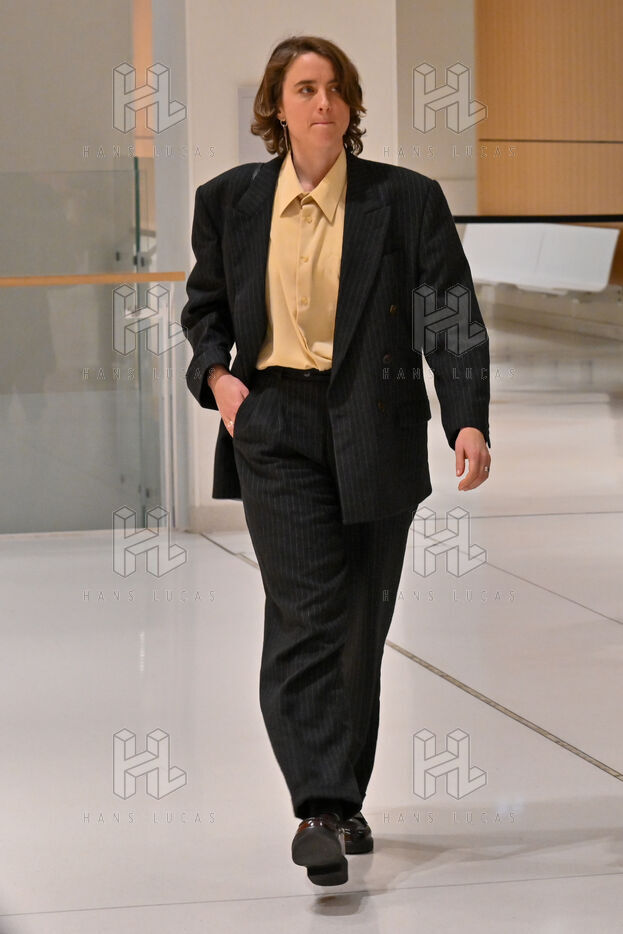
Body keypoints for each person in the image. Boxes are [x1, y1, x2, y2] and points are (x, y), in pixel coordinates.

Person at [180, 34, 491, 887]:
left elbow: (448, 314)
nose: (322, 102)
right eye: (304, 89)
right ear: (277, 107)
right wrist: (219, 379)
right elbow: (204, 309)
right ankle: (318, 807)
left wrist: (466, 418)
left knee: (359, 627)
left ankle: (345, 798)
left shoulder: (405, 199)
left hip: (376, 424)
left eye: (334, 89)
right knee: (307, 614)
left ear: (350, 107)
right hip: (274, 424)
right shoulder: (230, 200)